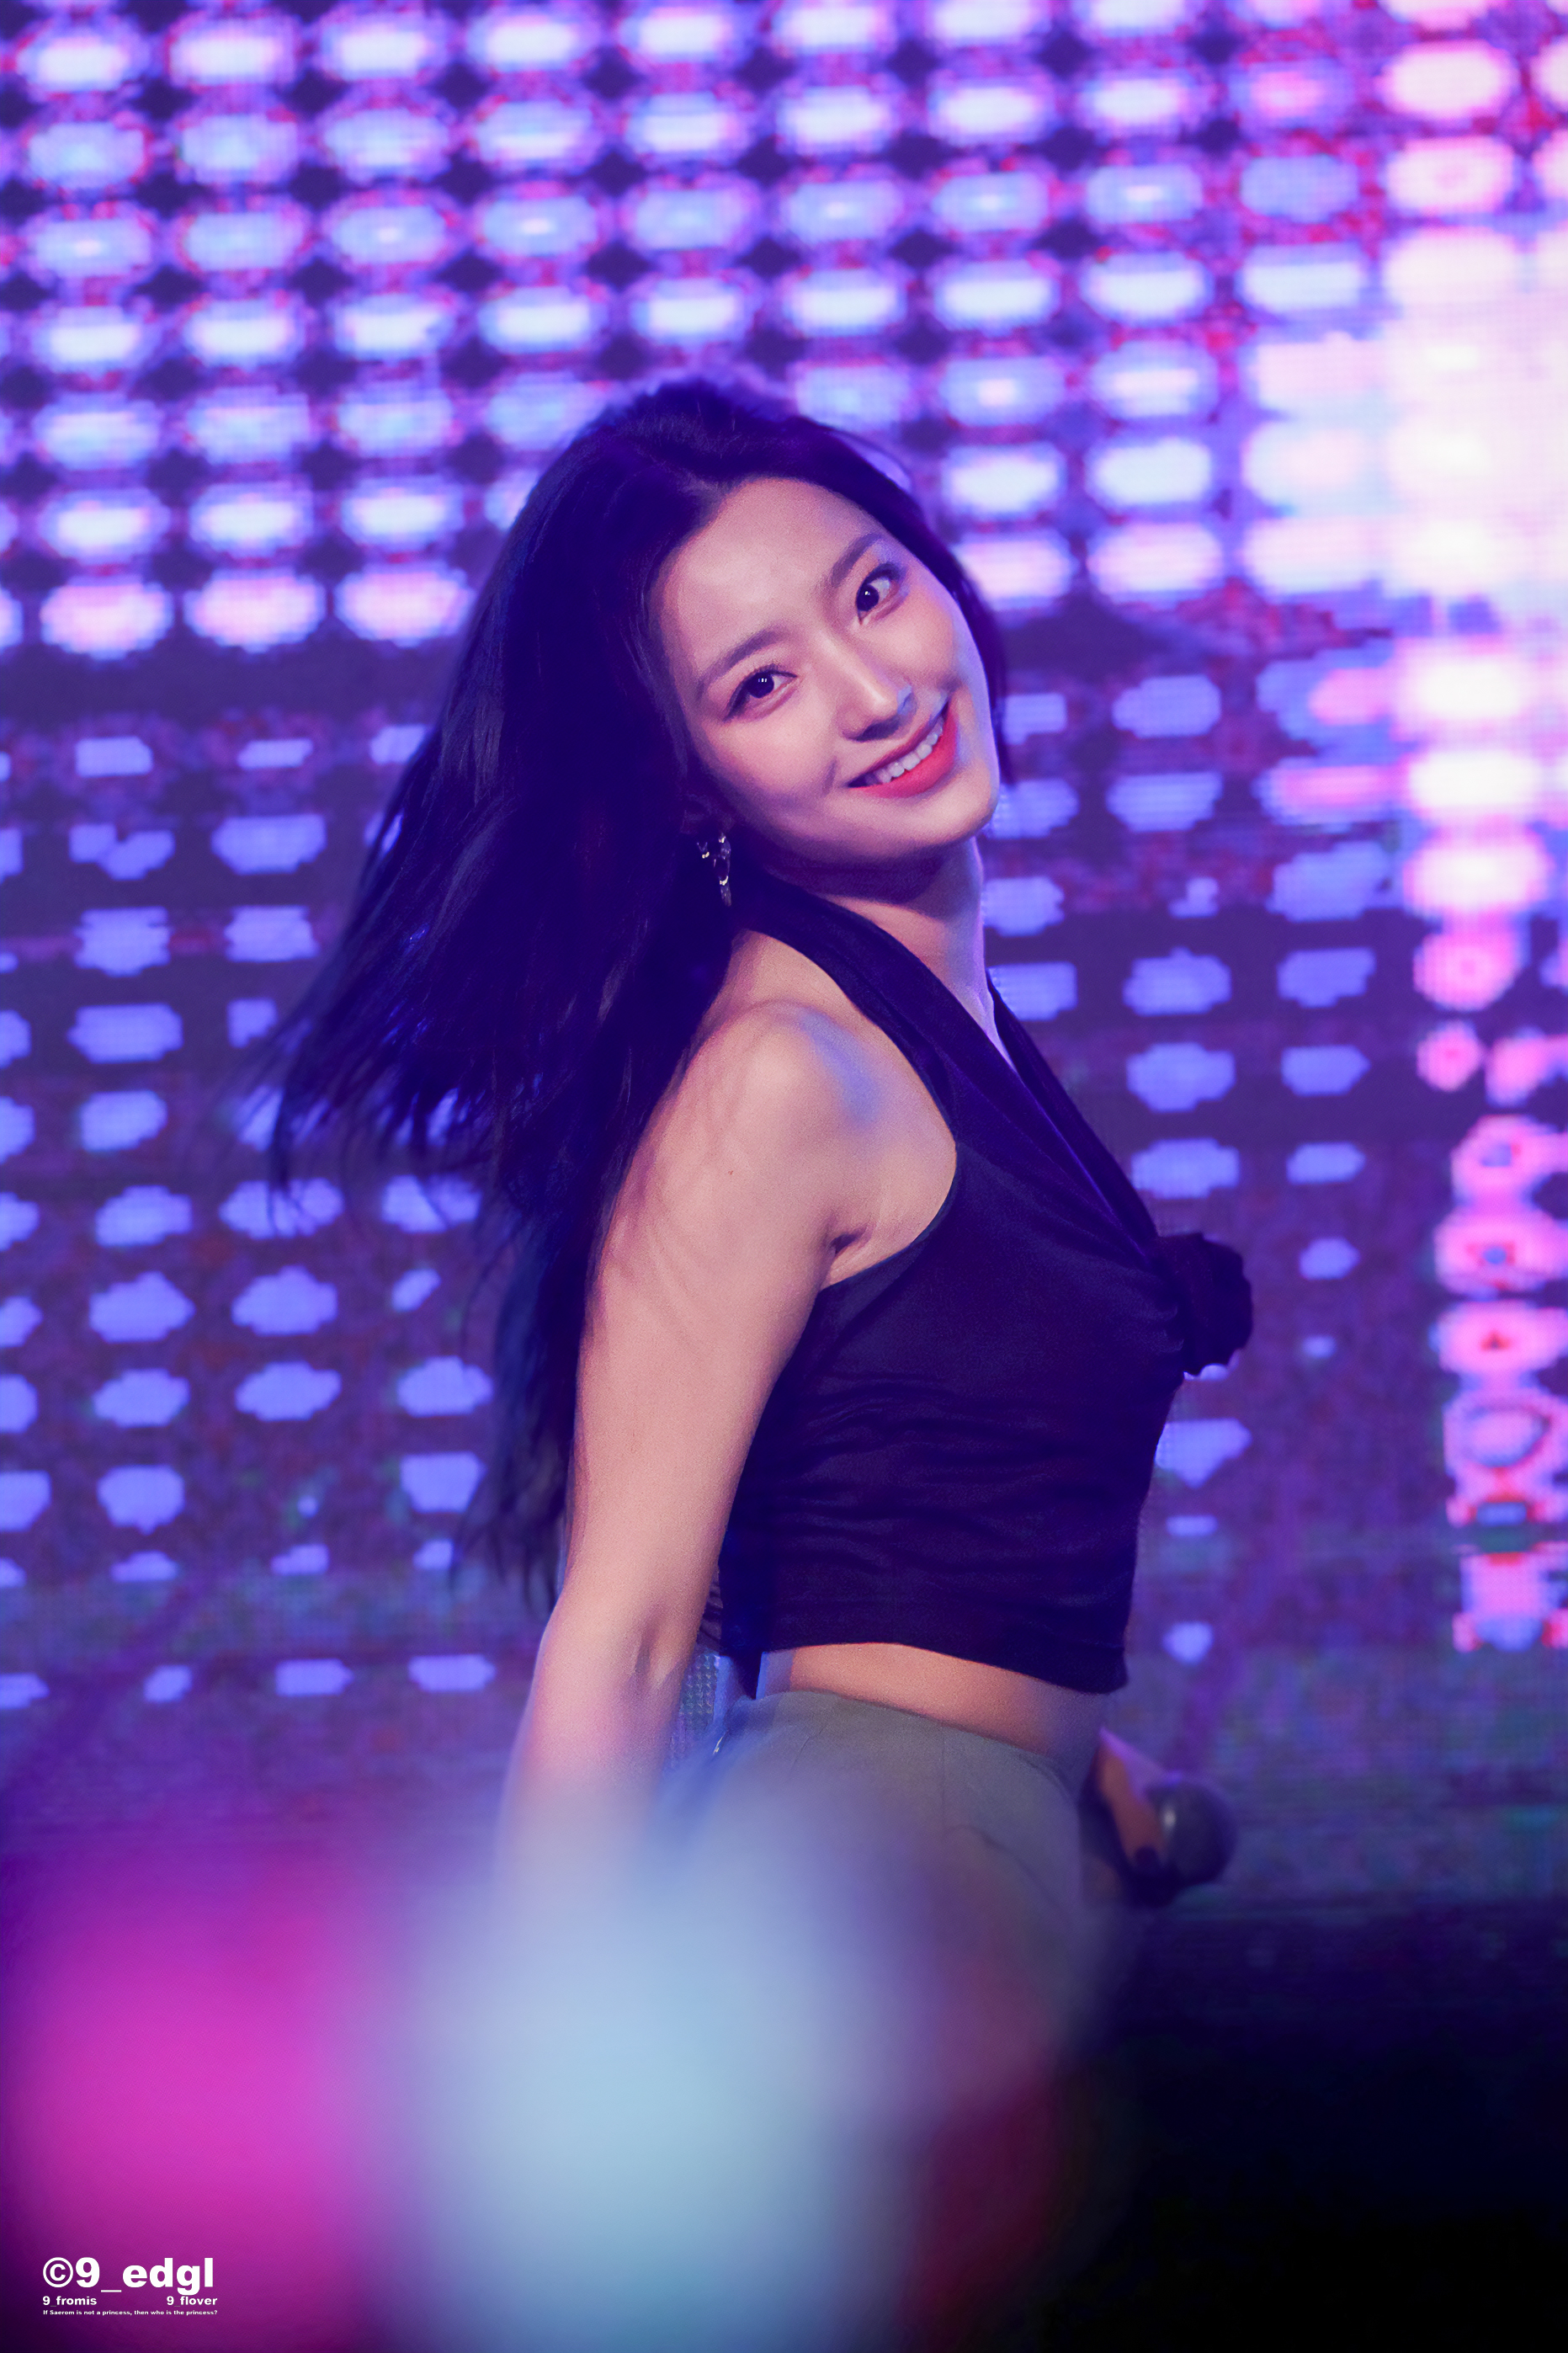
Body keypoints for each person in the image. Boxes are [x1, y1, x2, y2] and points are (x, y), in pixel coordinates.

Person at [272, 377, 1250, 2347]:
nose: (873, 692)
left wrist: (1088, 1773)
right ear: (696, 789)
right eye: (759, 685)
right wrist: (549, 2118)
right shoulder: (776, 1081)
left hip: (979, 1846)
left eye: (870, 593)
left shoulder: (925, 1027)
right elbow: (623, 1639)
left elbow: (917, 1498)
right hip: (874, 1887)